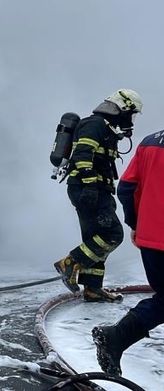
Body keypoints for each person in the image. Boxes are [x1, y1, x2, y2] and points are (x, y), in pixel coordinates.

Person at [54, 89, 143, 302]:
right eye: (130, 113)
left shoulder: (105, 128)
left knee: (94, 237)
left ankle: (92, 289)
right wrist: (90, 186)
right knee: (112, 234)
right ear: (122, 107)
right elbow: (84, 155)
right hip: (88, 188)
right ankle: (69, 262)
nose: (130, 119)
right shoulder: (94, 124)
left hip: (93, 189)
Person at [92, 127, 164, 376]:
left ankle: (116, 337)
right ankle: (115, 337)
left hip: (152, 240)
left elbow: (126, 187)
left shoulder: (150, 142)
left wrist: (136, 223)